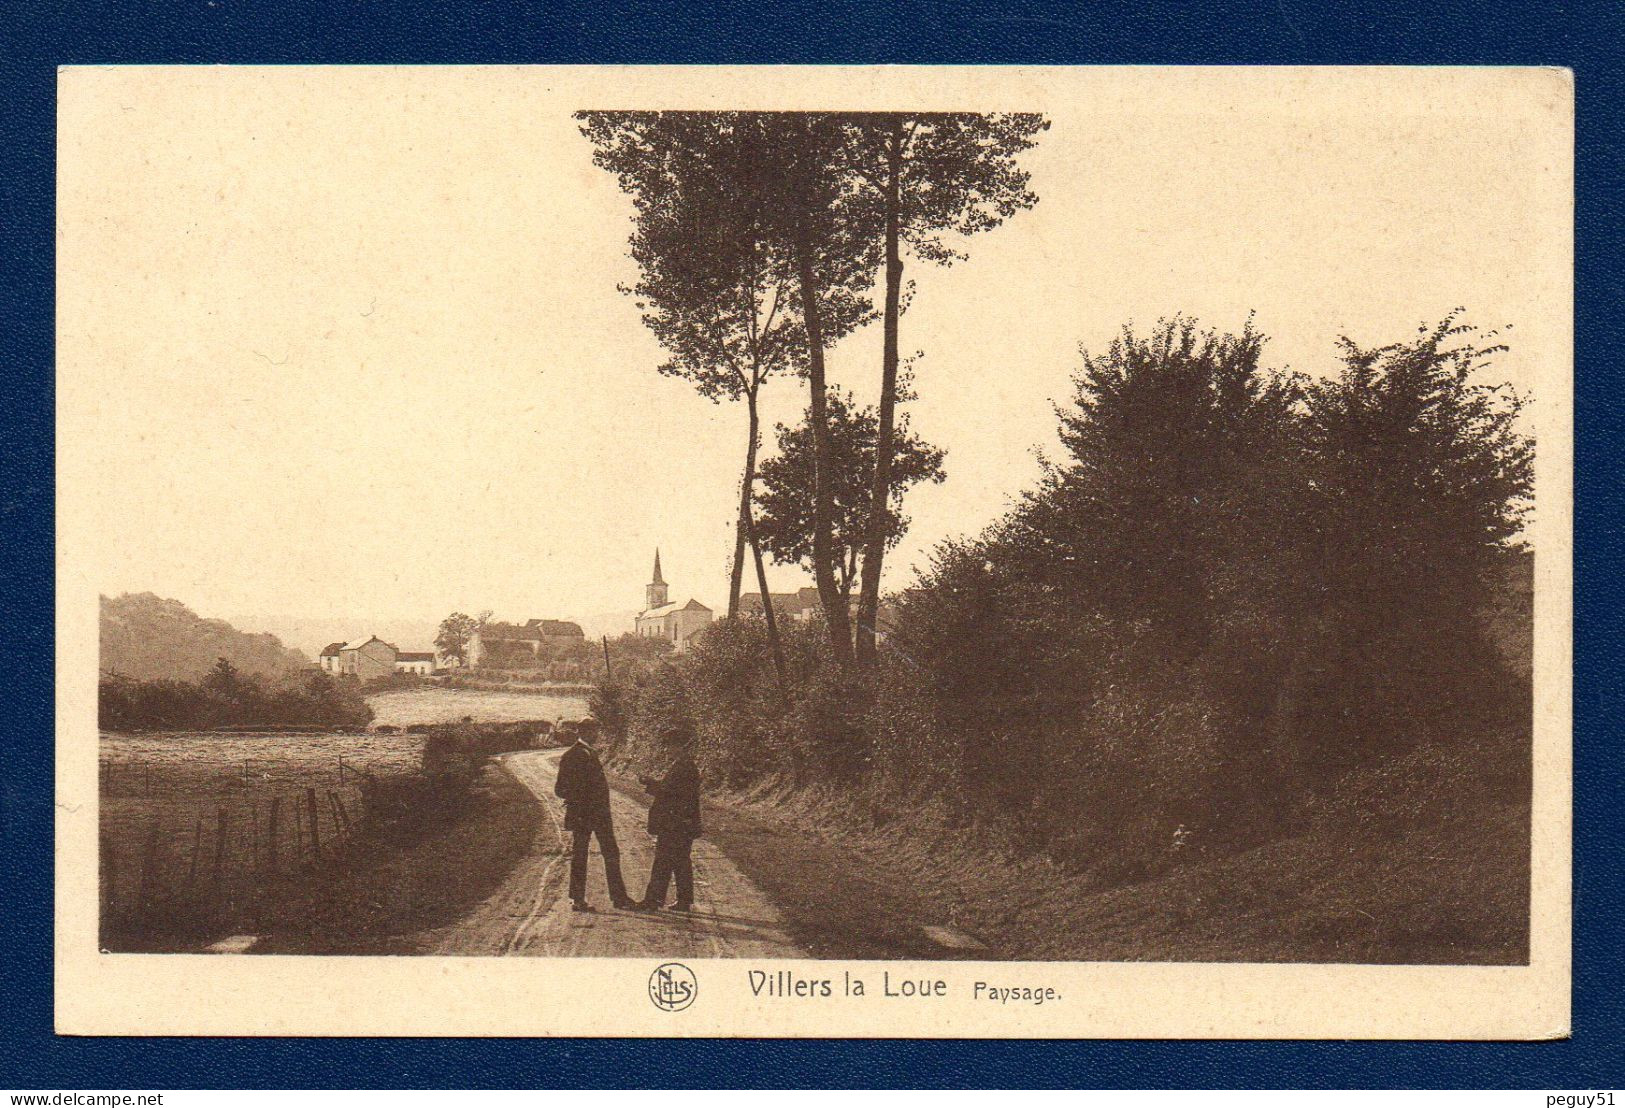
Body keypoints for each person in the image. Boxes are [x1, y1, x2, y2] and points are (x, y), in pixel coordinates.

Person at [553, 718, 633, 911]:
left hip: (599, 815)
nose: (597, 734)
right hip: (583, 815)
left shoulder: (591, 753)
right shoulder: (572, 755)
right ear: (583, 732)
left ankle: (619, 898)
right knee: (580, 856)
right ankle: (578, 900)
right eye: (594, 731)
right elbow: (560, 789)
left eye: (596, 730)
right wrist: (581, 799)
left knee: (611, 853)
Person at [635, 721, 702, 912]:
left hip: (676, 823)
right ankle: (683, 901)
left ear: (680, 747)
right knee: (681, 862)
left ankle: (653, 900)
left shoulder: (684, 767)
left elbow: (671, 793)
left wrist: (650, 783)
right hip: (682, 823)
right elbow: (673, 791)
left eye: (670, 746)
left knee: (663, 861)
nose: (667, 750)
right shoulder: (685, 766)